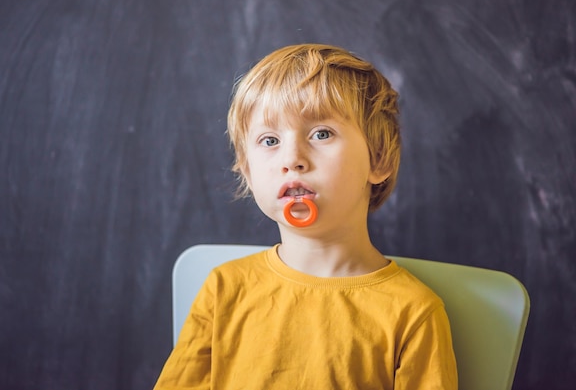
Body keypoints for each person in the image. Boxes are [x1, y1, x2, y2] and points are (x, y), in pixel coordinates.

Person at [153, 43, 457, 389]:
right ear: (249, 174)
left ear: (379, 160)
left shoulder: (415, 312)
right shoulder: (223, 290)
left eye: (321, 134)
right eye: (269, 141)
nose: (292, 158)